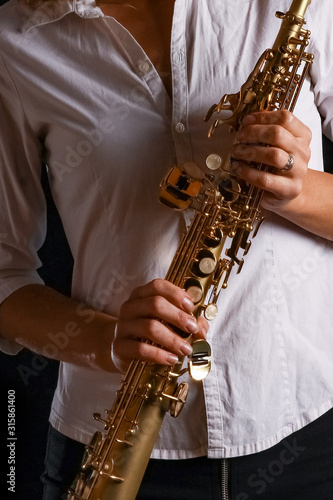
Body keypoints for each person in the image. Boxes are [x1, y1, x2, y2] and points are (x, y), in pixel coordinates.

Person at [1, 0, 333, 499]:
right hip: (113, 441)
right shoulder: (16, 40)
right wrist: (107, 339)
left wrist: (297, 188)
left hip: (305, 434)